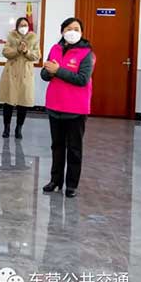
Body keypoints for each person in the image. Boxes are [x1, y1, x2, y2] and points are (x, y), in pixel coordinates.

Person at [41, 18, 95, 199]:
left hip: (76, 109)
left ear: (81, 32)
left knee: (74, 148)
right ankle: (55, 181)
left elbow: (82, 79)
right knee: (57, 146)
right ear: (62, 31)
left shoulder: (87, 53)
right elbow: (44, 75)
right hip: (54, 105)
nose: (72, 32)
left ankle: (72, 185)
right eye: (69, 28)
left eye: (76, 29)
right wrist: (48, 71)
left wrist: (58, 71)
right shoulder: (55, 49)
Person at [0, 17, 41, 139]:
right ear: (17, 26)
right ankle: (6, 128)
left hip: (26, 74)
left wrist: (26, 52)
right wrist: (17, 50)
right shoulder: (11, 37)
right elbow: (5, 52)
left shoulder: (34, 38)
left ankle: (19, 128)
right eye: (21, 25)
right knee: (8, 103)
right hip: (11, 73)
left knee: (23, 103)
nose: (23, 27)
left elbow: (37, 56)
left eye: (25, 25)